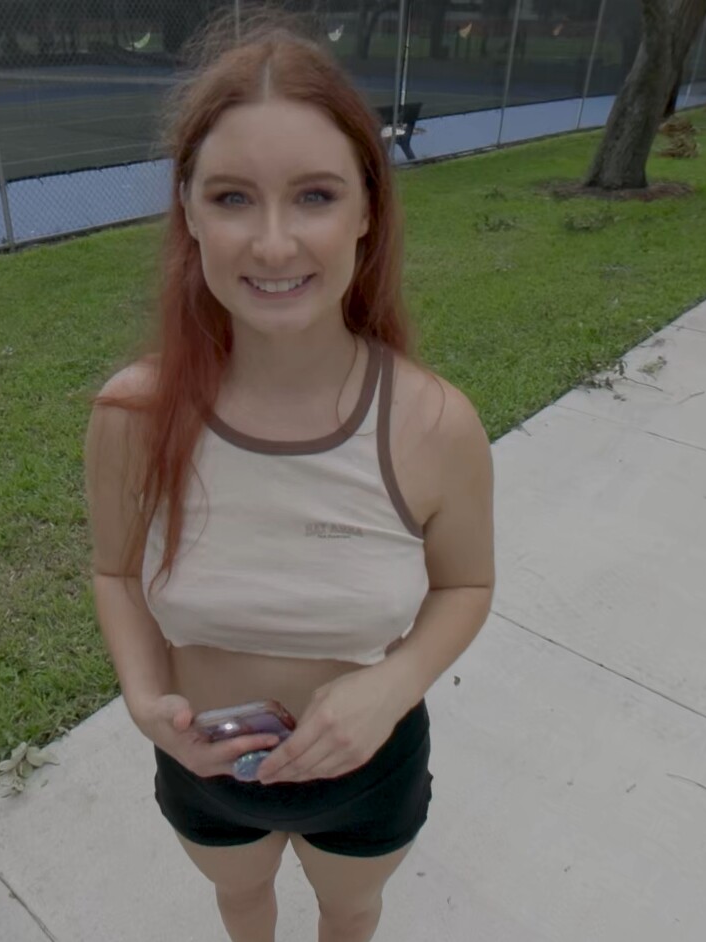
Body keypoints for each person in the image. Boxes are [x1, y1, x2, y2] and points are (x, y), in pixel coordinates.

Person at [84, 12, 494, 942]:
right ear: (189, 212)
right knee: (239, 903)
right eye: (232, 197)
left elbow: (465, 586)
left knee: (350, 912)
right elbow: (114, 573)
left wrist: (393, 685)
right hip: (204, 770)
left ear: (366, 211)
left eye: (313, 196)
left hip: (370, 773)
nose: (272, 244)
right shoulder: (132, 415)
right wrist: (145, 701)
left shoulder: (433, 424)